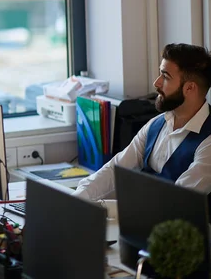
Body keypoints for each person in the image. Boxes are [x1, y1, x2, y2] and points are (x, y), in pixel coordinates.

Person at [73, 43, 211, 215]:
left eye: (165, 77)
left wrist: (107, 208)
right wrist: (76, 200)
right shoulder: (156, 124)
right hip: (143, 226)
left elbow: (177, 203)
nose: (156, 83)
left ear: (190, 88)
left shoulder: (208, 141)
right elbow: (114, 169)